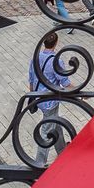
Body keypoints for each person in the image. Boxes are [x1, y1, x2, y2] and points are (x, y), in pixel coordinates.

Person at [27, 30, 72, 166]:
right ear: (56, 43)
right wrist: (80, 92)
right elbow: (64, 82)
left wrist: (33, 94)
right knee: (46, 130)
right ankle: (39, 163)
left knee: (55, 122)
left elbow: (31, 77)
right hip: (50, 101)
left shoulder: (35, 57)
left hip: (38, 98)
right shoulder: (56, 61)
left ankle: (62, 149)